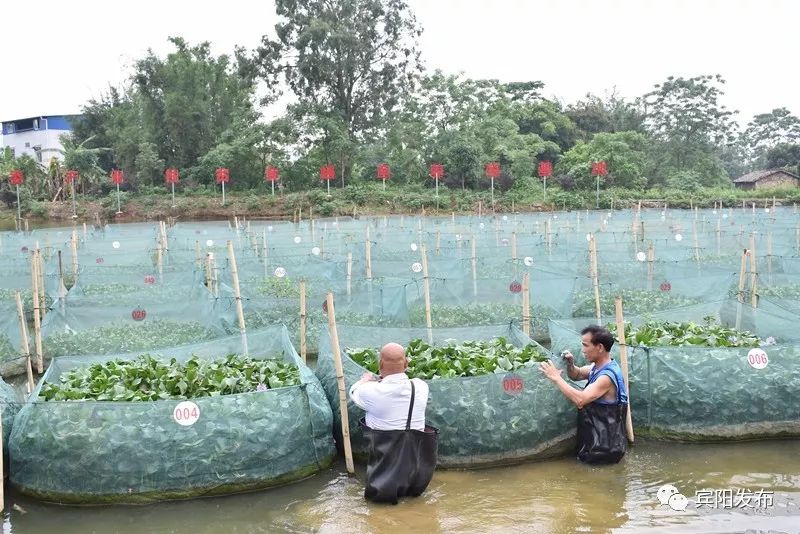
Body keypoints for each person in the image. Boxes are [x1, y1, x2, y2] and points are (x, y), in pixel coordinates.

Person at [349, 342, 438, 504]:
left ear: (380, 364)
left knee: (380, 512)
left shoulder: (370, 391)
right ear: (406, 363)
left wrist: (365, 380)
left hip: (384, 482)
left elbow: (354, 392)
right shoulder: (420, 386)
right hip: (418, 478)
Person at [538, 325, 629, 464]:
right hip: (596, 442)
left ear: (599, 347)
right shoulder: (598, 367)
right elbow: (578, 374)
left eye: (586, 345)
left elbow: (580, 400)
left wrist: (556, 377)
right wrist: (571, 364)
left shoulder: (606, 377)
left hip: (604, 449)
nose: (583, 350)